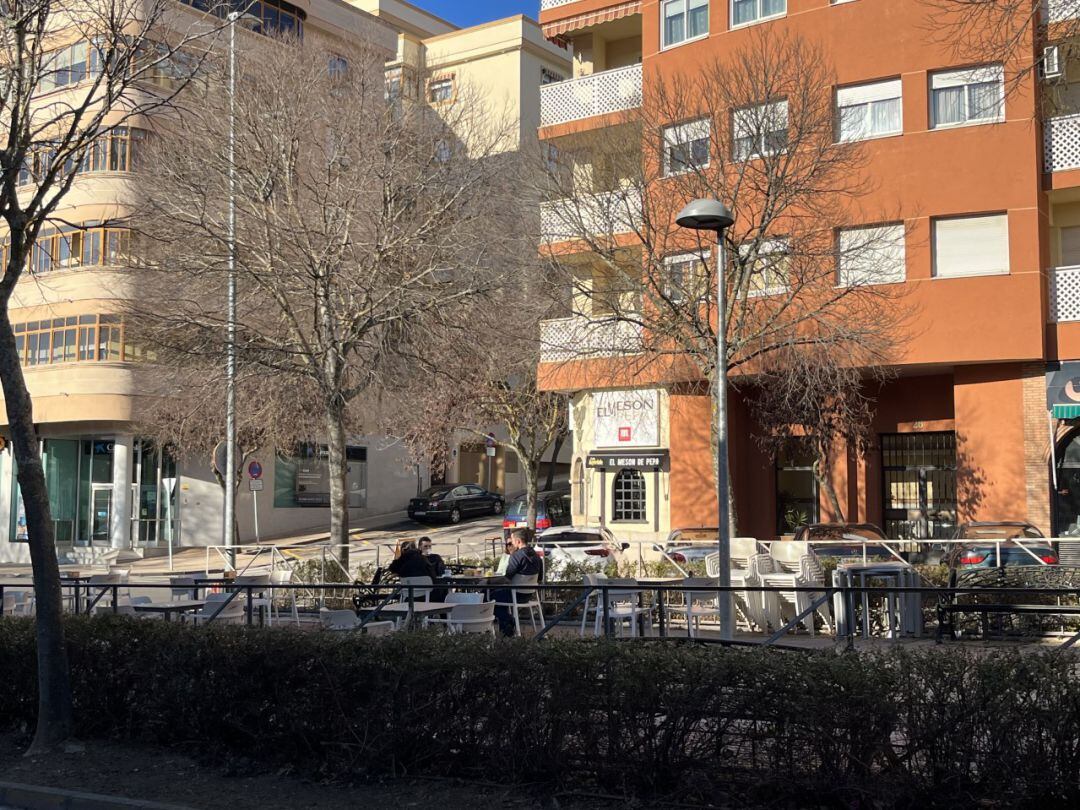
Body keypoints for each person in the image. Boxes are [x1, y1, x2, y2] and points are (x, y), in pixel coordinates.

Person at [491, 528, 543, 637]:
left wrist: (490, 581)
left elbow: (507, 578)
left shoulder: (517, 556)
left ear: (518, 541)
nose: (512, 543)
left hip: (515, 594)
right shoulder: (537, 556)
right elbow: (540, 578)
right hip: (529, 595)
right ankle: (506, 630)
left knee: (488, 598)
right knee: (499, 598)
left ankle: (508, 622)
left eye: (513, 541)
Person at [418, 536, 448, 601]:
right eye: (425, 546)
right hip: (421, 586)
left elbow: (442, 571)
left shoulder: (435, 557)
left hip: (433, 584)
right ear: (420, 547)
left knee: (444, 584)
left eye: (429, 546)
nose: (428, 548)